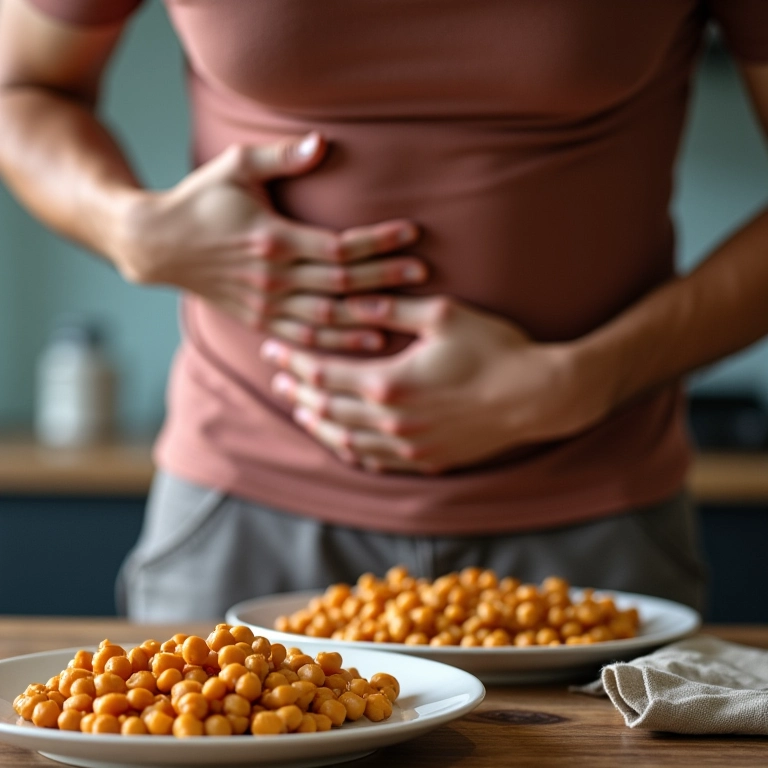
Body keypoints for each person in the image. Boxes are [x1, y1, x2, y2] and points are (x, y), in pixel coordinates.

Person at [1, 0, 767, 622]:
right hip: (246, 496)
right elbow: (23, 87)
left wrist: (582, 381)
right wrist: (127, 227)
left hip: (594, 509)